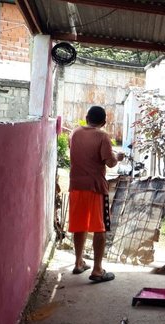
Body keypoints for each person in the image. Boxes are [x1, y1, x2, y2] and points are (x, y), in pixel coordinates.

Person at [68, 106, 124, 283]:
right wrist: (118, 157)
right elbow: (110, 163)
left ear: (86, 117)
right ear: (104, 122)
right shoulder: (102, 136)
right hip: (96, 188)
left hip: (76, 186)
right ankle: (98, 270)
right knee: (100, 228)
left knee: (79, 225)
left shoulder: (75, 133)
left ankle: (78, 263)